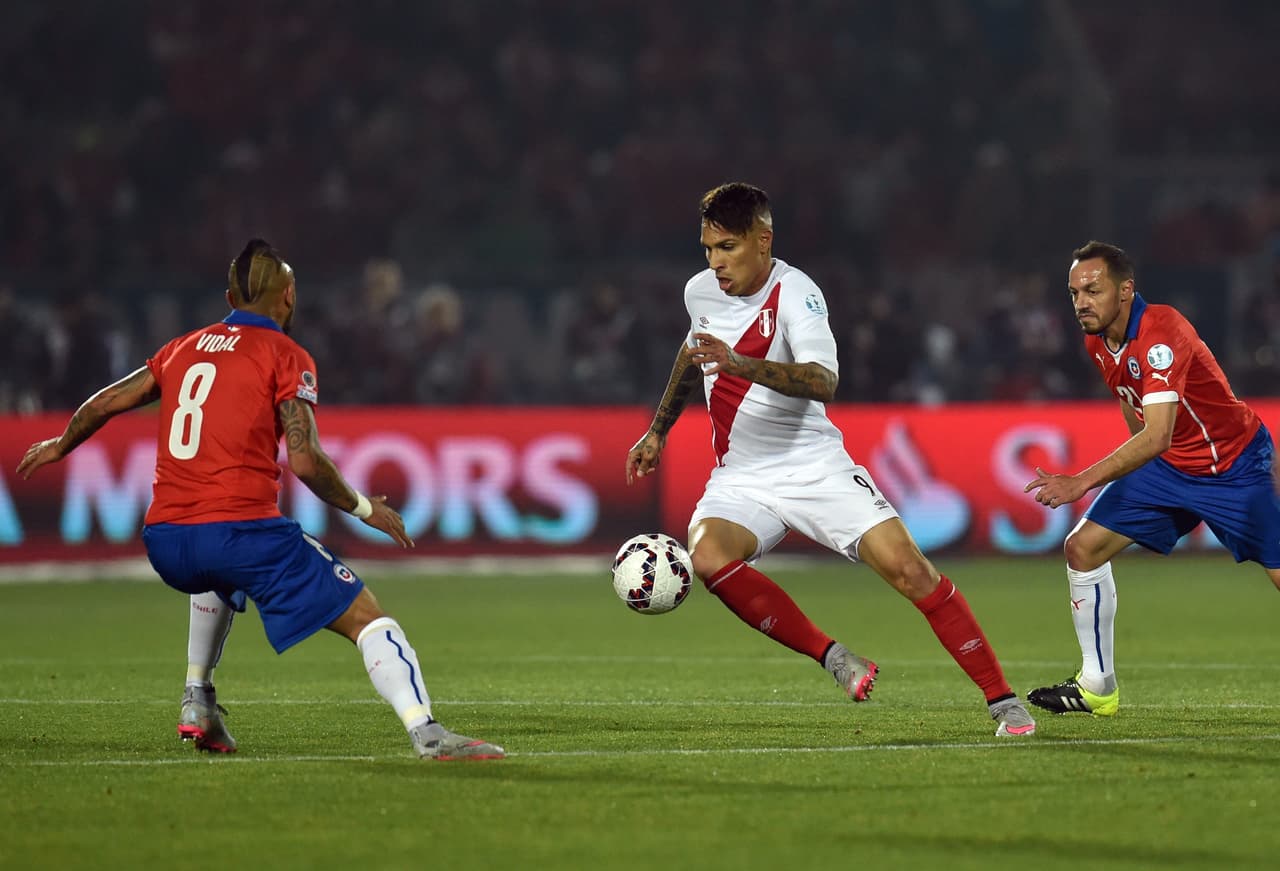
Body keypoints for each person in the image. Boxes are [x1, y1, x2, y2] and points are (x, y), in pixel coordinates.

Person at [15, 239, 503, 761]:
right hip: (240, 533)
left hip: (166, 540)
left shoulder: (183, 346)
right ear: (289, 295)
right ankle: (427, 733)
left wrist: (60, 443)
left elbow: (108, 400)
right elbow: (306, 462)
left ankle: (197, 699)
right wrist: (365, 508)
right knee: (368, 618)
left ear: (230, 297)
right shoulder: (285, 354)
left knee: (216, 574)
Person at [625, 183, 1036, 737]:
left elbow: (824, 380)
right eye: (708, 249)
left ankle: (1003, 701)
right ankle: (836, 658)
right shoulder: (700, 292)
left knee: (911, 571)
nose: (715, 262)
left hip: (815, 466)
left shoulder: (797, 294)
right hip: (742, 477)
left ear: (763, 241)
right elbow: (691, 350)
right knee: (708, 555)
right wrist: (658, 430)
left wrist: (739, 363)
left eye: (727, 247)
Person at [1024, 240, 1280, 716]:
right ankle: (1097, 686)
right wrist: (1138, 476)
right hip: (1170, 468)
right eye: (1074, 292)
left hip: (1232, 465)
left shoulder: (1161, 331)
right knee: (1083, 548)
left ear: (1125, 290)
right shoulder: (1097, 340)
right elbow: (1134, 407)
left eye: (1093, 290)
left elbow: (1157, 434)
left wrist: (1081, 481)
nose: (1081, 303)